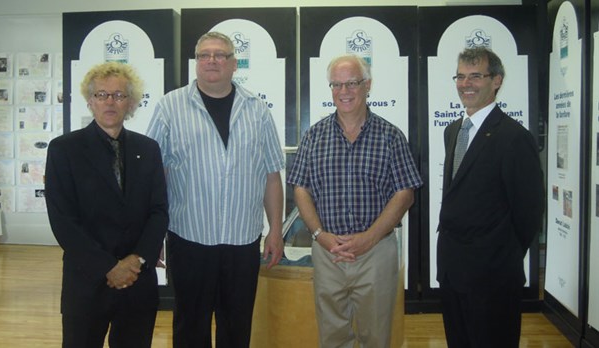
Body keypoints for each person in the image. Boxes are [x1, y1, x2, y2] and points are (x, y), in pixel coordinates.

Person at [146, 31, 285, 348]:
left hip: (242, 240)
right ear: (196, 63)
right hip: (188, 238)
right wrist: (153, 235)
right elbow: (153, 175)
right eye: (205, 55)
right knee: (189, 326)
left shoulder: (257, 110)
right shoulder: (170, 107)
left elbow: (271, 175)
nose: (212, 60)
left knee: (237, 327)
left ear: (234, 63)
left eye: (220, 54)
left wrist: (275, 230)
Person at [287, 54, 423, 347]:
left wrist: (369, 238)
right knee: (332, 335)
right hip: (328, 252)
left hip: (376, 252)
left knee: (376, 335)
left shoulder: (391, 136)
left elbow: (405, 193)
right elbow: (300, 188)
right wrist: (320, 235)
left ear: (367, 85)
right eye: (337, 84)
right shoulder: (314, 136)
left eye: (352, 83)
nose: (344, 91)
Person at [44, 62, 169, 348]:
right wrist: (108, 266)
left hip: (138, 281)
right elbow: (63, 219)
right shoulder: (64, 150)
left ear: (132, 103)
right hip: (87, 281)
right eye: (102, 95)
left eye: (119, 95)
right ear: (90, 101)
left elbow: (159, 210)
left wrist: (135, 261)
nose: (110, 102)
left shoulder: (147, 149)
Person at [437, 47, 545, 348]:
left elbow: (529, 212)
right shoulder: (453, 130)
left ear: (496, 80)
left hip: (492, 275)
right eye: (460, 76)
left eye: (475, 76)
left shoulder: (514, 138)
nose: (465, 84)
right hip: (452, 268)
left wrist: (500, 257)